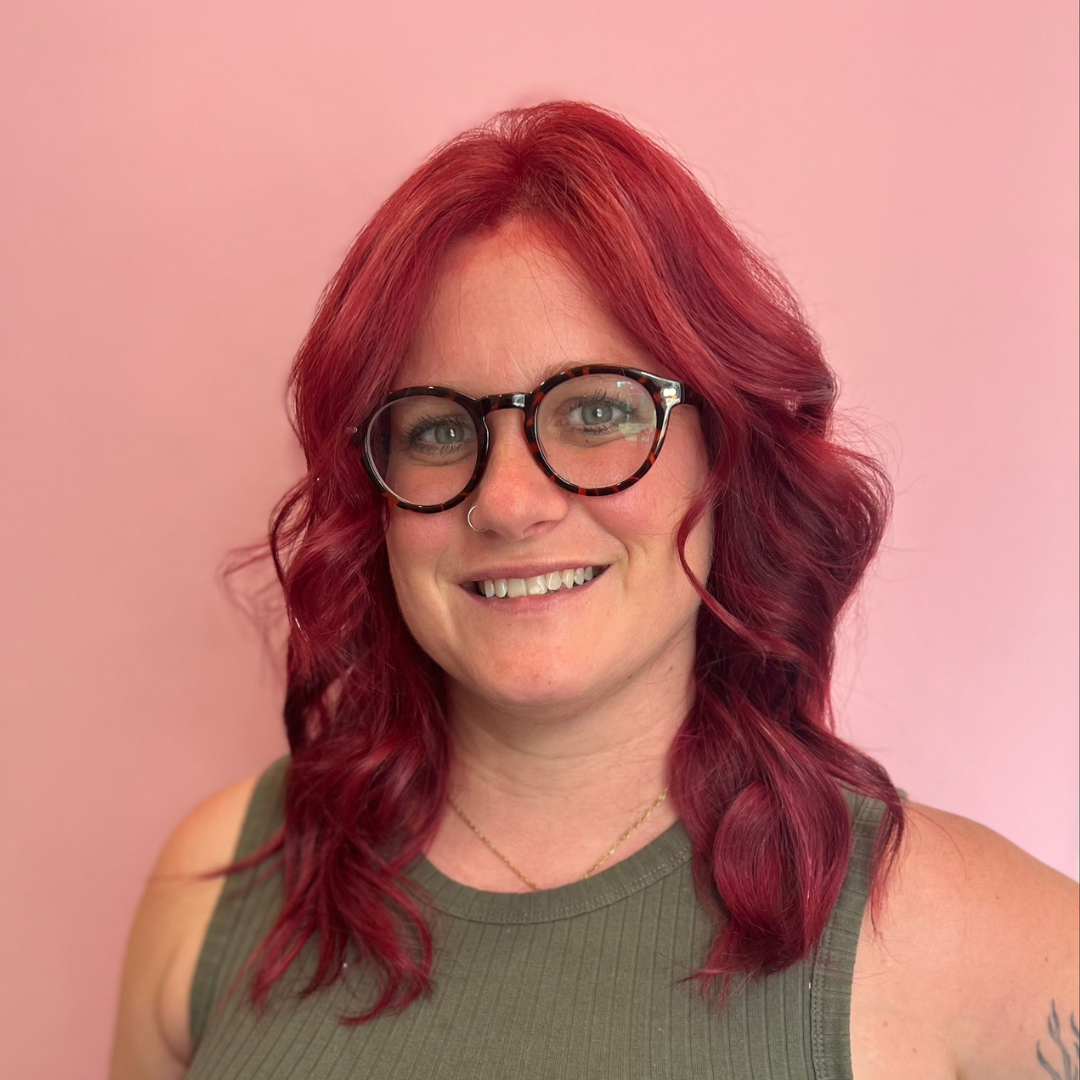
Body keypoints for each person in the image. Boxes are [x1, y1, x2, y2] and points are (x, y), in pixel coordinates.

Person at [110, 102, 1078, 1080]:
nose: (509, 501)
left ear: (729, 456)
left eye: (599, 411)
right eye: (440, 429)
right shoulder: (218, 883)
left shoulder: (966, 944)